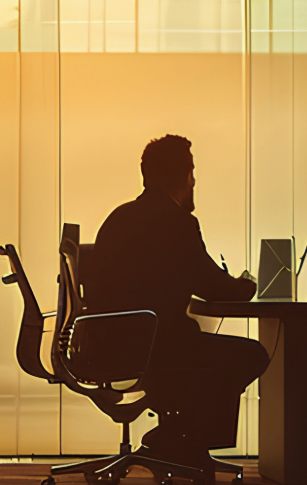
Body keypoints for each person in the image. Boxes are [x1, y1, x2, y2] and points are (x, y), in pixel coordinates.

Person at [90, 135, 268, 463]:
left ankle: (178, 436)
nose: (195, 181)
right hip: (159, 349)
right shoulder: (178, 224)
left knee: (211, 354)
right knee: (253, 355)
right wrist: (246, 284)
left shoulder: (118, 219)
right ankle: (182, 438)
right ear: (183, 177)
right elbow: (215, 288)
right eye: (193, 173)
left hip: (111, 347)